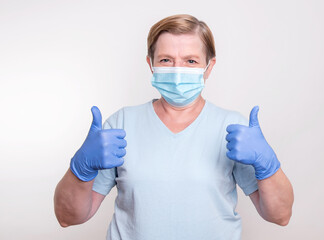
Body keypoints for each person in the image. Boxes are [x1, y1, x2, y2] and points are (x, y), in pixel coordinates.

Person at [54, 14, 294, 240]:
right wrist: (79, 169)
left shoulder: (233, 128)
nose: (178, 71)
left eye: (191, 61)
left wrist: (268, 165)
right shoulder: (120, 125)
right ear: (151, 65)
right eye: (166, 60)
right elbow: (68, 217)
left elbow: (280, 216)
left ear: (209, 67)